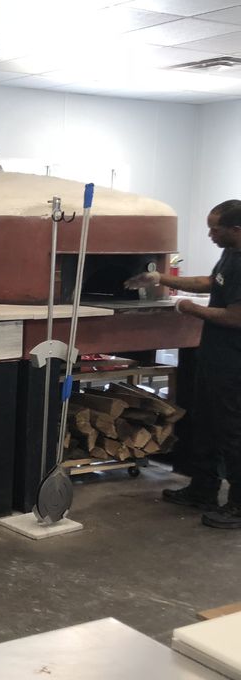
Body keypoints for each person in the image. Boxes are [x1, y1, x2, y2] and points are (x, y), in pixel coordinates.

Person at [125, 199, 241, 530]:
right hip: (214, 355)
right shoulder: (231, 253)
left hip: (234, 361)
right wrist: (161, 278)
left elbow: (236, 316)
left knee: (232, 432)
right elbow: (211, 282)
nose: (209, 233)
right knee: (204, 423)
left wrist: (190, 309)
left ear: (236, 230)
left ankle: (238, 504)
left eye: (214, 228)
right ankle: (203, 490)